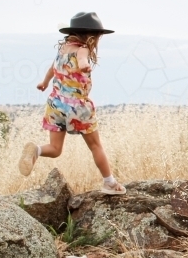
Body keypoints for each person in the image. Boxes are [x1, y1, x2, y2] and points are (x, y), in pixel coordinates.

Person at [18, 12, 126, 195]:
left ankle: (36, 150)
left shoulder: (62, 50)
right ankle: (109, 182)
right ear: (91, 36)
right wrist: (84, 65)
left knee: (55, 149)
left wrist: (44, 83)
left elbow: (53, 68)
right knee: (95, 146)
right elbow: (83, 60)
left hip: (55, 104)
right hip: (77, 106)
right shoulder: (82, 49)